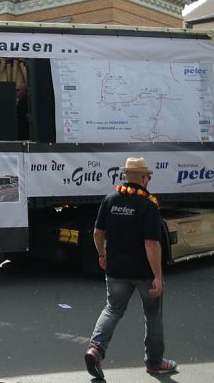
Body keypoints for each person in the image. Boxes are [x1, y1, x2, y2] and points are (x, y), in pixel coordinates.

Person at [84, 157, 177, 379]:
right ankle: (154, 363)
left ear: (125, 177)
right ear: (144, 179)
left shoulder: (110, 199)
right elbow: (151, 243)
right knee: (152, 314)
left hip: (116, 270)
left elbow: (98, 232)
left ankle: (95, 349)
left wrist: (101, 254)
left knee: (112, 309)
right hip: (144, 272)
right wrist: (157, 275)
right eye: (148, 176)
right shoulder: (148, 205)